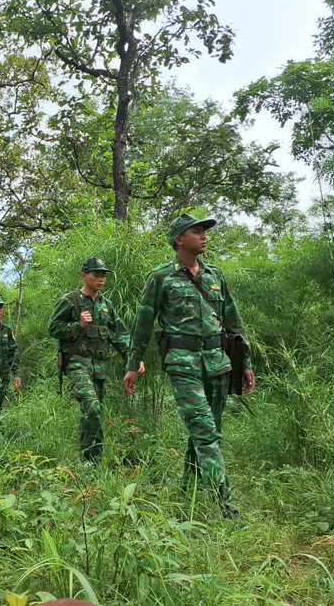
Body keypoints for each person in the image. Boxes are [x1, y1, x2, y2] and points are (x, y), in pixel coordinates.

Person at [123, 212, 256, 518]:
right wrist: (133, 363)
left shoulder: (215, 275)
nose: (204, 236)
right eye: (197, 231)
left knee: (207, 432)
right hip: (182, 365)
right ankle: (227, 507)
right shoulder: (160, 277)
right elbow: (142, 323)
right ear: (179, 239)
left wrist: (245, 362)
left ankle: (186, 497)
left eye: (204, 231)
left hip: (217, 363)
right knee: (206, 432)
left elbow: (234, 322)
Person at [49, 257, 144, 462]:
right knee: (92, 407)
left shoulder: (106, 305)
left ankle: (88, 460)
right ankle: (93, 461)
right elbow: (53, 329)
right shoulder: (71, 301)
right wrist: (78, 325)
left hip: (100, 367)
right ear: (84, 276)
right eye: (96, 275)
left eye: (103, 275)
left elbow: (120, 335)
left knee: (94, 413)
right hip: (77, 364)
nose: (101, 279)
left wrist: (133, 359)